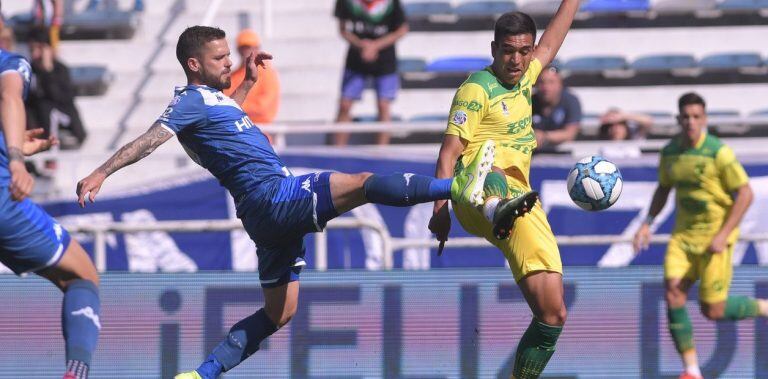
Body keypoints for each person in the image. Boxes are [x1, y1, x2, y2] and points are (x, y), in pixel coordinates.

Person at [74, 26, 516, 379]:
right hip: (274, 196)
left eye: (228, 54)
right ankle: (459, 188)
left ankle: (200, 375)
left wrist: (246, 82)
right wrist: (101, 172)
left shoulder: (211, 101)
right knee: (361, 183)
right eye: (219, 58)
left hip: (262, 217)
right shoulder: (187, 103)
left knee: (279, 313)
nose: (228, 61)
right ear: (194, 64)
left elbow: (223, 120)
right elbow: (148, 141)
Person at [429, 4, 579, 378]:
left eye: (523, 51)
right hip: (472, 191)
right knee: (489, 157)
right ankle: (496, 205)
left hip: (520, 200)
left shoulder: (527, 76)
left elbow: (551, 42)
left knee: (553, 313)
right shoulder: (476, 89)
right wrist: (439, 210)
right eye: (508, 51)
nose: (516, 59)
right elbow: (448, 153)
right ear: (493, 48)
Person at [633, 92, 768, 379]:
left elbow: (745, 193)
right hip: (683, 238)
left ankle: (763, 307)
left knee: (714, 310)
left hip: (714, 240)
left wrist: (723, 234)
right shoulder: (670, 152)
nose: (691, 122)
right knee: (673, 293)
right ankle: (692, 371)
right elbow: (663, 188)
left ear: (704, 119)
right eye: (686, 117)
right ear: (678, 119)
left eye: (696, 117)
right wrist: (647, 222)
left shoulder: (719, 152)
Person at [0, 4, 101, 378]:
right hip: (2, 200)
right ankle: (77, 372)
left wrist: (11, 143)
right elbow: (9, 97)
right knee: (82, 275)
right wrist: (14, 159)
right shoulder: (10, 62)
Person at [333, 0, 408, 146]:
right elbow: (343, 30)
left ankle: (381, 152)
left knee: (383, 105)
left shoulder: (391, 3)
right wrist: (361, 45)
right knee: (345, 104)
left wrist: (375, 46)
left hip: (385, 58)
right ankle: (338, 150)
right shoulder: (347, 3)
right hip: (356, 57)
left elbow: (402, 29)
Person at [25, 26, 87, 149]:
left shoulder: (60, 69)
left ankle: (50, 151)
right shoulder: (29, 71)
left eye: (38, 49)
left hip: (65, 118)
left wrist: (47, 71)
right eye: (32, 49)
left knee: (47, 108)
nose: (35, 54)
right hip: (39, 121)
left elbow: (63, 99)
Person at [222, 29, 279, 127]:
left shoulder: (268, 74)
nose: (248, 50)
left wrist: (234, 107)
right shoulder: (232, 76)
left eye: (252, 47)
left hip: (261, 132)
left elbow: (263, 110)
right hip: (235, 132)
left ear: (258, 48)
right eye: (244, 47)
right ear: (238, 50)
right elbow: (223, 107)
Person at [532, 65, 581, 151]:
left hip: (564, 153)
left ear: (560, 84)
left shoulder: (570, 101)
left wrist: (544, 136)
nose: (546, 87)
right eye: (541, 82)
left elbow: (570, 134)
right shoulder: (529, 102)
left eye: (551, 82)